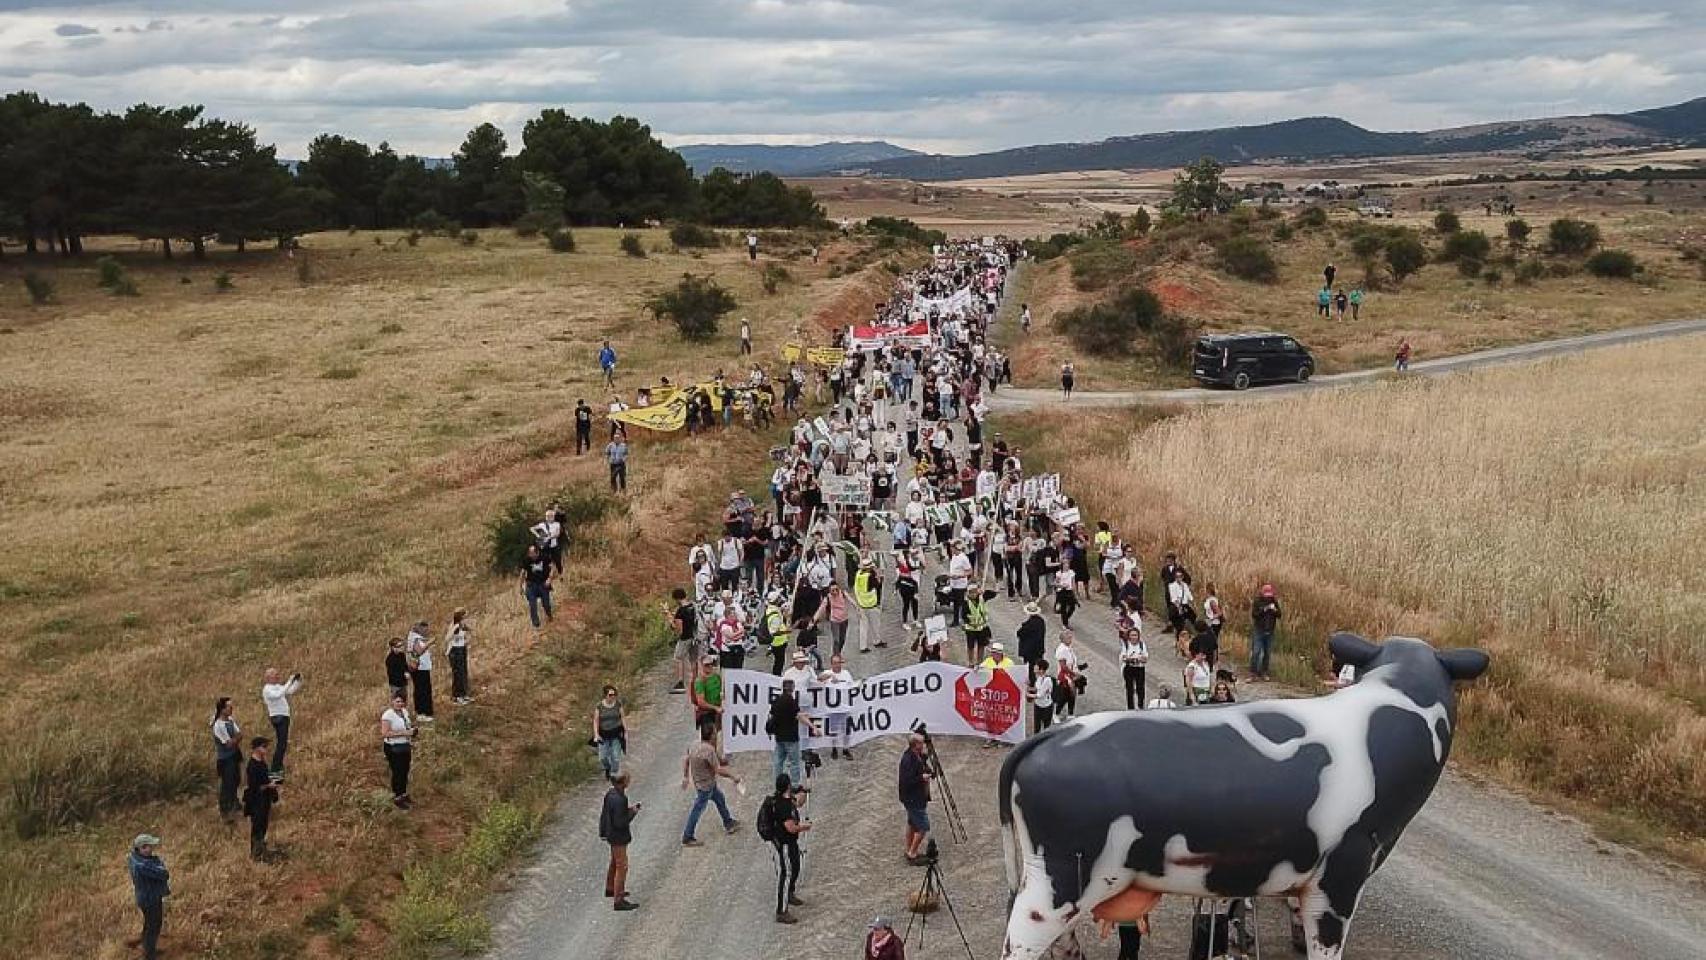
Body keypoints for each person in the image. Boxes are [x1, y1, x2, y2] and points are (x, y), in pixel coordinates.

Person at [680, 724, 741, 846]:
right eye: (715, 733)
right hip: (706, 786)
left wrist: (686, 776)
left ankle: (728, 822)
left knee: (720, 799)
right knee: (697, 810)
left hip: (701, 783)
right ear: (712, 735)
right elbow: (718, 769)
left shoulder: (694, 745)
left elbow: (686, 759)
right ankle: (687, 836)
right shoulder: (709, 751)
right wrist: (733, 776)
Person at [767, 776, 810, 923]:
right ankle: (781, 910)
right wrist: (804, 827)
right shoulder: (782, 805)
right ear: (788, 786)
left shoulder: (784, 799)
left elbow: (798, 802)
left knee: (796, 867)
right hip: (783, 843)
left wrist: (804, 791)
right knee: (786, 873)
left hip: (790, 843)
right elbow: (790, 828)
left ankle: (790, 893)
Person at [598, 772, 640, 911]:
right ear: (623, 782)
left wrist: (603, 832)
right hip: (618, 837)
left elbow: (608, 814)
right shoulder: (621, 799)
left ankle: (610, 888)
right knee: (622, 866)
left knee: (615, 861)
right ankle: (619, 899)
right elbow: (621, 822)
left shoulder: (610, 794)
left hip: (610, 834)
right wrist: (632, 812)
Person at [127, 834, 170, 960]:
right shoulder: (143, 865)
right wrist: (161, 868)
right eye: (146, 847)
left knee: (149, 923)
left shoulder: (135, 859)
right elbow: (163, 874)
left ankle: (148, 947)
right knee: (154, 925)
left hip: (145, 897)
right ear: (139, 849)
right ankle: (150, 954)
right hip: (150, 899)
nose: (150, 849)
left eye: (150, 846)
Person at [769, 679, 818, 787]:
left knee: (778, 761)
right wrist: (812, 726)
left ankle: (778, 784)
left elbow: (772, 715)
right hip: (791, 737)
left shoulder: (777, 701)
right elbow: (798, 716)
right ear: (792, 688)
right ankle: (795, 785)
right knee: (794, 762)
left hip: (779, 736)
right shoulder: (791, 701)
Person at [259, 668, 302, 778]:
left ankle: (277, 767)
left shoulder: (277, 687)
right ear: (268, 677)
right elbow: (278, 695)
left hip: (284, 716)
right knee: (281, 743)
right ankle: (275, 769)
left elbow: (289, 691)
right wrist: (289, 681)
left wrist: (297, 682)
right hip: (278, 716)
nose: (277, 676)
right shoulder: (267, 689)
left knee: (283, 743)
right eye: (275, 675)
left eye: (278, 674)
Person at [242, 737, 280, 861]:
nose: (266, 750)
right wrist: (269, 785)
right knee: (257, 826)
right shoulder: (252, 766)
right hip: (256, 801)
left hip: (264, 799)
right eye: (264, 747)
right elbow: (254, 786)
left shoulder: (261, 762)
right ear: (257, 748)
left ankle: (261, 849)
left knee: (263, 825)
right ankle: (256, 853)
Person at [898, 733, 933, 864]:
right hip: (913, 798)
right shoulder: (908, 760)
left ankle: (909, 849)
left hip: (914, 797)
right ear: (916, 744)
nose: (924, 745)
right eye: (921, 743)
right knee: (923, 827)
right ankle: (912, 853)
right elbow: (907, 781)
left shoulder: (916, 756)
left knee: (912, 823)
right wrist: (921, 778)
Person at [380, 692, 416, 809]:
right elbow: (385, 733)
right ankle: (397, 796)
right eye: (397, 701)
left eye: (402, 702)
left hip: (404, 745)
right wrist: (404, 733)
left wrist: (411, 731)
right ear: (392, 701)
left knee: (405, 770)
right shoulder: (387, 716)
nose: (400, 704)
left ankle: (404, 793)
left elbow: (406, 725)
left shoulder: (404, 712)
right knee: (397, 772)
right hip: (393, 747)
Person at [820, 654, 857, 759]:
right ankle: (834, 748)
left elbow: (852, 686)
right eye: (835, 663)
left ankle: (846, 749)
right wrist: (831, 676)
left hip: (844, 707)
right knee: (833, 730)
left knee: (846, 729)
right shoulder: (827, 673)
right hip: (832, 708)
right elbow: (819, 679)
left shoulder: (846, 674)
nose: (837, 665)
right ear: (831, 664)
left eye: (839, 663)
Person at [211, 697, 242, 822]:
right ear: (222, 709)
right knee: (226, 784)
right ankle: (225, 810)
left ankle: (234, 803)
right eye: (229, 706)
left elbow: (240, 735)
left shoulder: (230, 720)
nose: (231, 708)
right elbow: (228, 743)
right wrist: (235, 739)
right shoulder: (218, 726)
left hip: (233, 755)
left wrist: (234, 740)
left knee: (236, 780)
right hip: (225, 759)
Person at [593, 686, 627, 780]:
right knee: (602, 757)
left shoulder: (618, 704)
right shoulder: (599, 706)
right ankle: (608, 768)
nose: (613, 697)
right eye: (610, 695)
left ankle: (613, 773)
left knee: (615, 757)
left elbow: (622, 717)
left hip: (616, 733)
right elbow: (596, 721)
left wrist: (625, 731)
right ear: (605, 695)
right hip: (604, 735)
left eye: (614, 694)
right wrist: (596, 734)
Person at [1250, 583, 1282, 680]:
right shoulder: (1257, 601)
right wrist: (1264, 609)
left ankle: (1264, 672)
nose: (1268, 598)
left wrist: (1274, 610)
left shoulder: (1274, 601)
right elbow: (1254, 615)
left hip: (1270, 630)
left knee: (1267, 653)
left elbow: (1279, 615)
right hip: (1259, 630)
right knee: (1256, 652)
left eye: (1270, 595)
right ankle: (1253, 673)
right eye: (1266, 595)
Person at [852, 557, 884, 653]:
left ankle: (863, 646)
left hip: (861, 603)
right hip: (871, 604)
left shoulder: (858, 574)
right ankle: (877, 641)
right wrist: (879, 577)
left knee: (863, 626)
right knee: (875, 624)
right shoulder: (870, 576)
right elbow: (877, 586)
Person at [670, 588, 699, 695]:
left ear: (677, 598)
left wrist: (671, 622)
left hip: (685, 638)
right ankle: (696, 682)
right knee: (693, 660)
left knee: (678, 658)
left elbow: (679, 629)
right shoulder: (693, 606)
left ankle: (680, 682)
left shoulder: (680, 611)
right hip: (695, 637)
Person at [406, 621, 435, 722]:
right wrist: (429, 643)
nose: (427, 631)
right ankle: (422, 712)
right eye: (425, 629)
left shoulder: (415, 637)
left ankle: (425, 711)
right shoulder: (415, 638)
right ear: (420, 628)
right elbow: (418, 651)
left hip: (423, 667)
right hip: (420, 668)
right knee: (422, 690)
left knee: (424, 689)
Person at [520, 543, 554, 628]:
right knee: (532, 604)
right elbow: (523, 573)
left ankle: (549, 615)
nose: (531, 555)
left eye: (532, 553)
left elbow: (553, 568)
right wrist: (521, 586)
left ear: (537, 552)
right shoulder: (527, 560)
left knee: (546, 603)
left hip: (543, 583)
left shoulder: (545, 557)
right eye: (529, 553)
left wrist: (549, 579)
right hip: (531, 585)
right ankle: (536, 624)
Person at [691, 654, 723, 735]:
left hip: (718, 712)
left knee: (718, 735)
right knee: (708, 738)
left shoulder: (716, 676)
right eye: (707, 665)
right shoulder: (700, 681)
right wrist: (715, 708)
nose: (710, 666)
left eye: (712, 664)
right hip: (706, 713)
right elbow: (701, 702)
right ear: (701, 666)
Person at [446, 607, 472, 704]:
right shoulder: (455, 626)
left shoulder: (462, 625)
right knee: (457, 674)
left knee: (463, 672)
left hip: (462, 649)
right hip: (454, 651)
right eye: (464, 616)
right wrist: (454, 632)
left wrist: (466, 641)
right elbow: (447, 638)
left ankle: (464, 694)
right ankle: (456, 696)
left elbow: (467, 634)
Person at [1054, 631, 1083, 718]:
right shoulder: (1062, 650)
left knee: (1072, 695)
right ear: (1063, 639)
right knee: (1065, 696)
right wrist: (1073, 673)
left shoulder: (1068, 648)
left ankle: (1070, 714)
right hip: (1065, 676)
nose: (1070, 639)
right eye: (1068, 638)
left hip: (1071, 675)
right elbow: (1063, 666)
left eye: (1070, 637)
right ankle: (1056, 713)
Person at [1016, 602, 1047, 683]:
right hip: (1039, 649)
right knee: (1039, 667)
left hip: (1030, 651)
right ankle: (1040, 682)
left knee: (1031, 669)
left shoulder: (1029, 624)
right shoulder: (1041, 621)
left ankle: (1033, 683)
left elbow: (1020, 633)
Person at [1120, 626, 1149, 710]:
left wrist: (1139, 659)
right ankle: (1130, 707)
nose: (1134, 637)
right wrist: (1132, 658)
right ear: (1129, 636)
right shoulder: (1126, 644)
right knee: (1129, 689)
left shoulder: (1141, 645)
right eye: (1132, 635)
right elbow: (1123, 657)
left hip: (1139, 668)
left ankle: (1140, 705)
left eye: (1135, 635)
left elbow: (1145, 658)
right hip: (1129, 668)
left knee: (1140, 688)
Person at [963, 587, 993, 665]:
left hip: (981, 627)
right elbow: (963, 616)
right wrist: (969, 622)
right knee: (970, 646)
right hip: (971, 628)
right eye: (971, 593)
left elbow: (993, 594)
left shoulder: (982, 598)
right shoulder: (966, 602)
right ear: (968, 593)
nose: (973, 594)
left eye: (975, 592)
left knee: (981, 646)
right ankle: (971, 662)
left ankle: (980, 662)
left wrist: (984, 591)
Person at [1029, 660, 1056, 732]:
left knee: (1046, 728)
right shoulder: (1039, 677)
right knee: (1036, 727)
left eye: (1037, 666)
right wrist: (1028, 687)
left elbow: (1040, 695)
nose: (1034, 667)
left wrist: (1028, 695)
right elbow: (1036, 688)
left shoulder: (1047, 680)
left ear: (1041, 669)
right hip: (1038, 705)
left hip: (1046, 707)